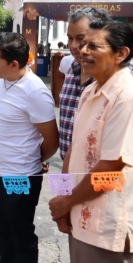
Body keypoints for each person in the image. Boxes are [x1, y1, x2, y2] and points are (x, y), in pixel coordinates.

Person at [49, 20, 133, 262]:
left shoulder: (126, 96)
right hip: (76, 215)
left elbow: (111, 169)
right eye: (83, 44)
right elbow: (72, 149)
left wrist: (66, 202)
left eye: (94, 46)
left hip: (106, 227)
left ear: (121, 54)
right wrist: (60, 200)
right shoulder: (89, 90)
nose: (83, 50)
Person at [0, 32, 59, 263]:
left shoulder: (35, 92)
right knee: (0, 225)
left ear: (14, 64)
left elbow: (51, 140)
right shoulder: (2, 79)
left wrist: (34, 159)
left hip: (20, 175)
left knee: (20, 232)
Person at [58, 7, 114, 161]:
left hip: (103, 177)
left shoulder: (120, 77)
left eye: (81, 38)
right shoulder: (72, 68)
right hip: (70, 170)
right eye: (70, 38)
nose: (74, 45)